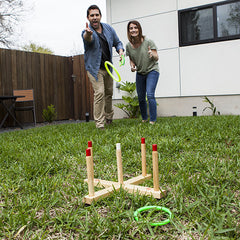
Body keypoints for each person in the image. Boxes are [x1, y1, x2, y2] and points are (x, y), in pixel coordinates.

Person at [82, 5, 124, 129]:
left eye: (96, 15)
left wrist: (120, 51)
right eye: (92, 15)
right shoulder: (86, 31)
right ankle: (100, 124)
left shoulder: (108, 29)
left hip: (108, 68)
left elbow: (118, 42)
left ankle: (109, 117)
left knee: (109, 93)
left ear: (100, 16)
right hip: (94, 69)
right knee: (99, 92)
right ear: (88, 18)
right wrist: (88, 34)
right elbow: (87, 39)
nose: (94, 18)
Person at [126, 20, 159, 125]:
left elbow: (156, 57)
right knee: (140, 98)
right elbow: (131, 58)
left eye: (135, 27)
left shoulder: (148, 41)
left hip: (152, 70)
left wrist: (151, 54)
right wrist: (132, 65)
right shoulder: (128, 46)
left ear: (139, 29)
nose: (133, 30)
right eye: (131, 28)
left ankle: (152, 120)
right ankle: (144, 118)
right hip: (140, 72)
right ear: (129, 31)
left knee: (149, 95)